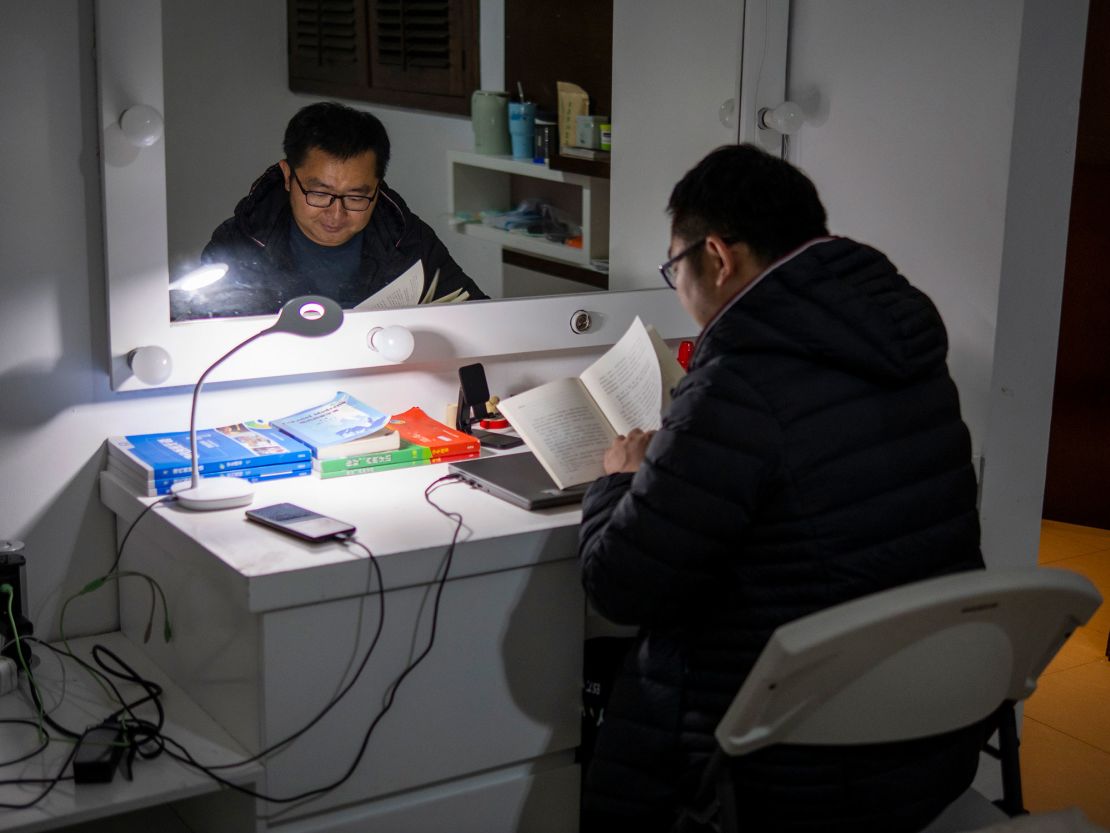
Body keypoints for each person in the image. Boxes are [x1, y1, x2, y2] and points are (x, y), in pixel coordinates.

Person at [577, 144, 987, 833]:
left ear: (716, 256)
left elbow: (618, 584)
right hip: (927, 737)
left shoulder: (739, 384)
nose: (679, 286)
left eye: (675, 267)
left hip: (785, 768)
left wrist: (617, 481)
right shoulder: (905, 343)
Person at [171, 101, 486, 320]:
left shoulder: (405, 240)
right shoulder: (241, 242)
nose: (336, 215)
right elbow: (202, 337)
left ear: (377, 187)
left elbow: (476, 316)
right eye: (320, 193)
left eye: (356, 197)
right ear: (287, 177)